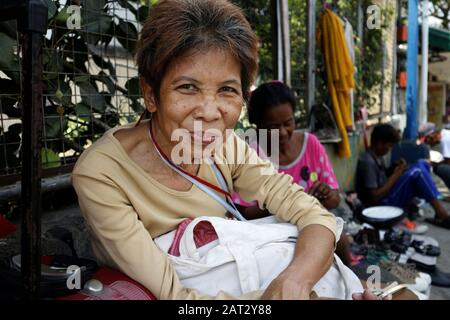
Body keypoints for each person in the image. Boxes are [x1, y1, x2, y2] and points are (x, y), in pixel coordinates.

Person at [72, 0, 381, 300]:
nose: (210, 112)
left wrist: (296, 281)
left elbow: (315, 216)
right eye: (187, 87)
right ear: (151, 94)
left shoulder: (227, 146)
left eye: (227, 90)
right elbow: (174, 296)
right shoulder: (102, 173)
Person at [233, 81, 357, 266]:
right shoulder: (250, 153)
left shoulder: (311, 144)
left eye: (288, 123)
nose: (283, 132)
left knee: (341, 242)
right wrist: (288, 201)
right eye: (273, 126)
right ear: (256, 124)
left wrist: (326, 194)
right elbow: (244, 212)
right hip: (272, 233)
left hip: (311, 222)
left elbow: (335, 201)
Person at [356, 124, 450, 229]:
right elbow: (374, 197)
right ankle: (443, 215)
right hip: (381, 205)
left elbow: (383, 178)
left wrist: (394, 168)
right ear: (379, 143)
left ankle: (436, 209)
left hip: (387, 196)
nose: (390, 149)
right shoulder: (368, 161)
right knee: (417, 173)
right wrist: (396, 175)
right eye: (389, 145)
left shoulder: (377, 156)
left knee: (421, 163)